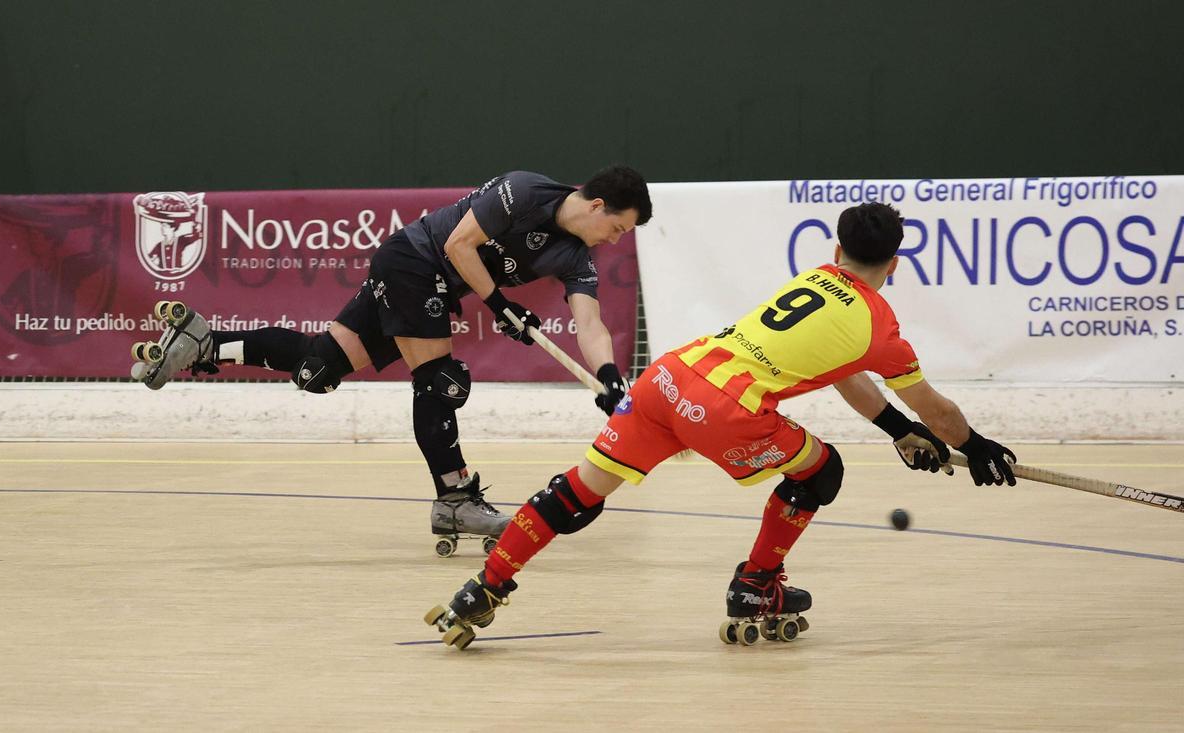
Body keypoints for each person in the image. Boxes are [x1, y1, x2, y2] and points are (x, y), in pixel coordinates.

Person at [424, 201, 1017, 648]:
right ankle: (757, 585)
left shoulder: (814, 278)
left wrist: (898, 430)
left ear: (838, 251)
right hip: (728, 411)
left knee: (578, 492)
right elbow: (936, 410)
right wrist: (977, 446)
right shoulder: (878, 325)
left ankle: (484, 588)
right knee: (820, 472)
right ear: (895, 263)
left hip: (669, 377)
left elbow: (846, 375)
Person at [134, 166, 653, 552]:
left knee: (319, 368)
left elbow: (590, 323)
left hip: (426, 281)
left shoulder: (577, 257)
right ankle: (455, 499)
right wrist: (500, 305)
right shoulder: (525, 191)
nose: (615, 239)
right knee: (441, 380)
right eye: (619, 228)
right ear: (597, 205)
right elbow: (460, 245)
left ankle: (204, 344)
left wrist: (609, 378)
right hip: (414, 260)